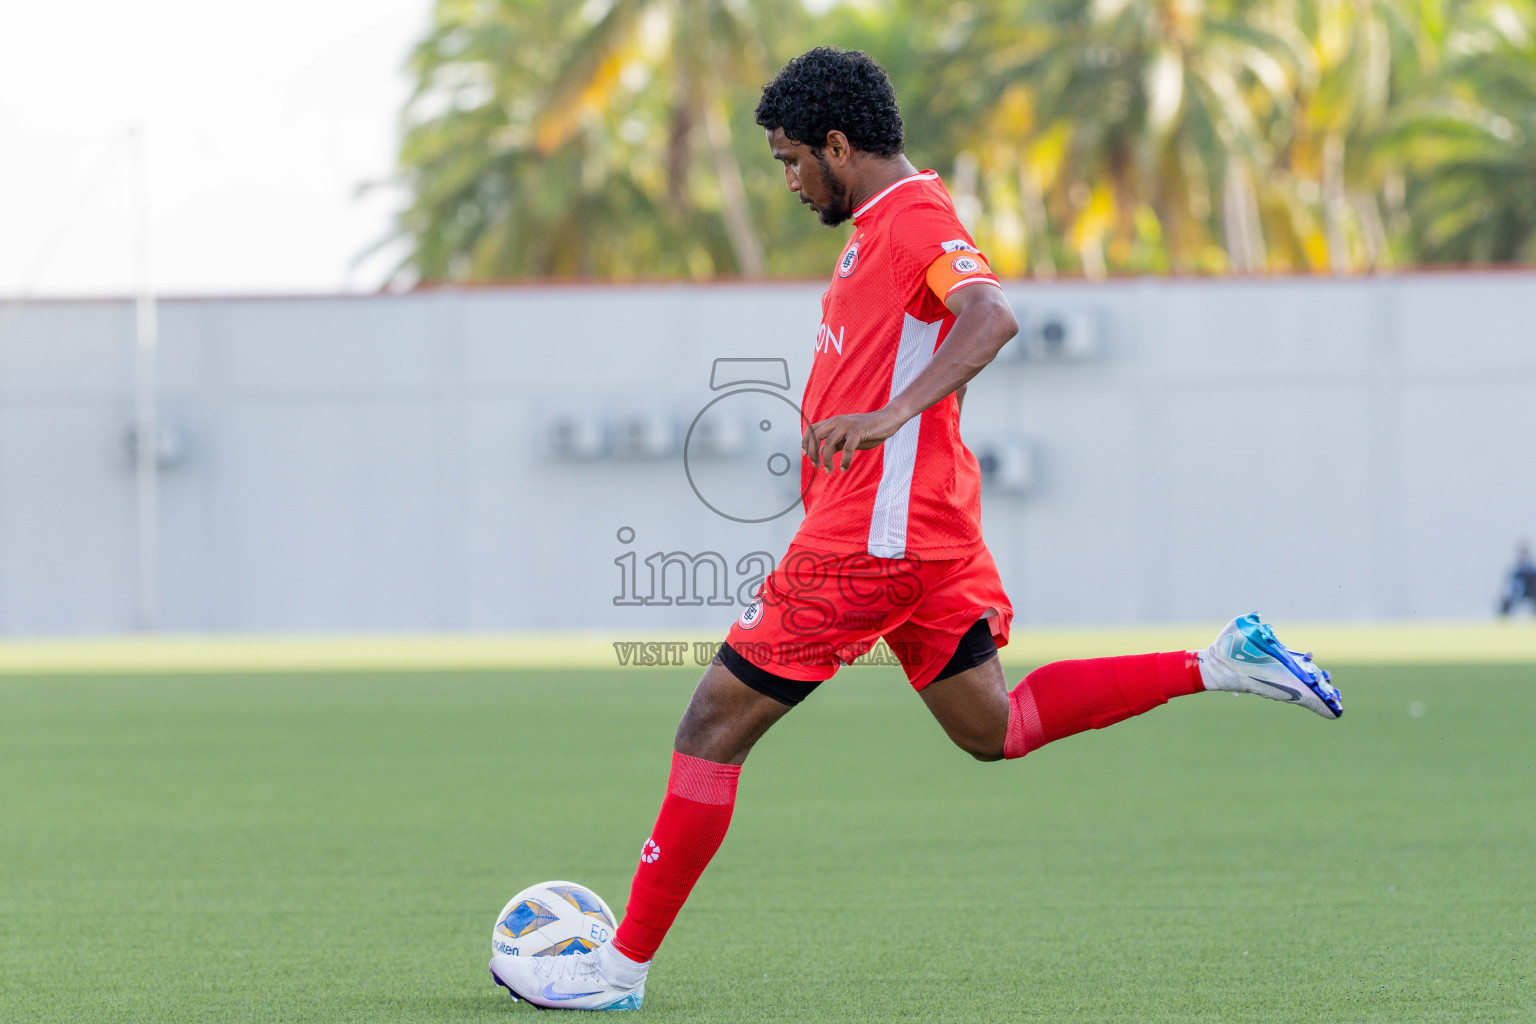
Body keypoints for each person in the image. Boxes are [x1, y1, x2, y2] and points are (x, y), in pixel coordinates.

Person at [489, 47, 1344, 1011]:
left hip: (875, 542)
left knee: (709, 727)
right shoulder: (878, 225)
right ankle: (1223, 661)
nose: (788, 179)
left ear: (839, 145)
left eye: (790, 160)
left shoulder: (914, 218)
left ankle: (617, 969)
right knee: (997, 728)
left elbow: (992, 316)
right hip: (921, 536)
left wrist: (892, 414)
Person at [1498, 542, 1536, 615]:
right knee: (1505, 604)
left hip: (1531, 591)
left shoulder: (1532, 569)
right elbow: (1510, 582)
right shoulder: (1516, 569)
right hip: (1518, 591)